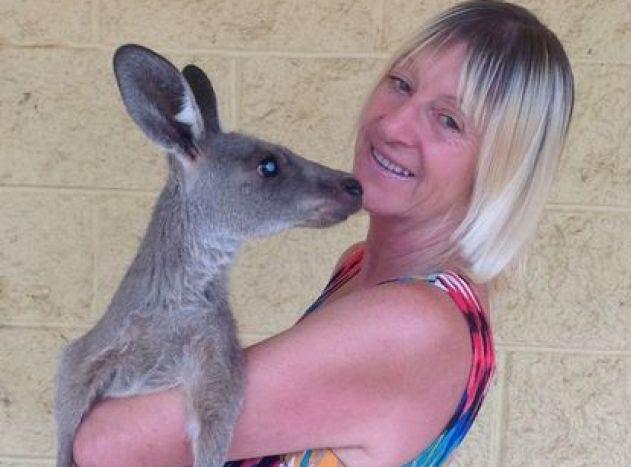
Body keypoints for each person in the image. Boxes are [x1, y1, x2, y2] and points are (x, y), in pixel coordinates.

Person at [72, 1, 574, 465]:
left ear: (500, 169)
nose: (394, 125)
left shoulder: (411, 323)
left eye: (448, 120)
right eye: (401, 83)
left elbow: (105, 442)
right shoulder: (359, 268)